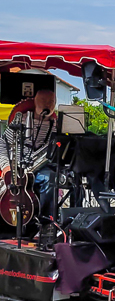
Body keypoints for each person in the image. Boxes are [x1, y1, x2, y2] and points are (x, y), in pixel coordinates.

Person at [0, 89, 57, 220]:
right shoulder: (19, 122)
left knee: (52, 178)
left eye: (51, 102)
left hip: (41, 168)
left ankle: (46, 221)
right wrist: (5, 166)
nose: (47, 104)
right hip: (17, 169)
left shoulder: (56, 127)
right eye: (43, 101)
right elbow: (2, 145)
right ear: (35, 103)